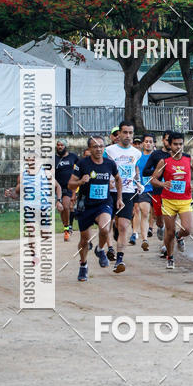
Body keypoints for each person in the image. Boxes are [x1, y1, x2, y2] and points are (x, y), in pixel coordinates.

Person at [68, 137, 122, 281]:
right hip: (85, 205)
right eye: (95, 146)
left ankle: (100, 249)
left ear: (104, 148)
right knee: (84, 239)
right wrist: (80, 181)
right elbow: (70, 184)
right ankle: (83, 264)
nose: (98, 149)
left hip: (104, 203)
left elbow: (118, 179)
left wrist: (119, 198)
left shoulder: (110, 164)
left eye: (101, 146)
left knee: (104, 229)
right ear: (90, 149)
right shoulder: (82, 164)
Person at [150, 132, 193, 270]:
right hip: (169, 201)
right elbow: (153, 179)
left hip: (185, 200)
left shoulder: (189, 159)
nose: (178, 147)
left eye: (181, 144)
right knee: (169, 231)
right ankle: (170, 257)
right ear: (170, 145)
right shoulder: (164, 162)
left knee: (187, 229)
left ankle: (179, 236)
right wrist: (162, 184)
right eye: (175, 144)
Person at [4, 157, 64, 264]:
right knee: (31, 231)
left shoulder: (45, 173)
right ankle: (35, 255)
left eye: (34, 159)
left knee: (45, 234)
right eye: (29, 160)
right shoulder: (22, 176)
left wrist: (58, 200)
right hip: (29, 207)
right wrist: (10, 194)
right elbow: (16, 194)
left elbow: (58, 187)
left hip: (44, 208)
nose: (32, 162)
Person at [105, 120, 142, 273]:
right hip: (111, 192)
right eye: (125, 132)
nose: (127, 136)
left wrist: (138, 183)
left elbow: (135, 171)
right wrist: (108, 181)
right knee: (106, 224)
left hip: (128, 192)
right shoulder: (109, 150)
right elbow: (103, 167)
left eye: (130, 133)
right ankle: (109, 248)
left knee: (123, 226)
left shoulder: (136, 153)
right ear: (118, 134)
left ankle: (119, 259)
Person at [142, 131, 171, 253]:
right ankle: (160, 226)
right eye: (167, 140)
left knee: (170, 218)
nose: (169, 142)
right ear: (162, 141)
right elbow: (145, 171)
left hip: (171, 192)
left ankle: (166, 246)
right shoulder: (156, 155)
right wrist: (158, 171)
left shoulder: (178, 156)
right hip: (158, 190)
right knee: (159, 219)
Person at [134, 133, 156, 250]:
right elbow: (135, 173)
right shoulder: (138, 157)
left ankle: (157, 228)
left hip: (157, 189)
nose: (148, 143)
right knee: (145, 212)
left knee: (157, 215)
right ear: (143, 144)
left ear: (154, 144)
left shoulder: (157, 157)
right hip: (144, 189)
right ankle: (144, 239)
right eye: (146, 141)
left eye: (150, 142)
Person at [54, 140, 79, 241]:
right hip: (57, 187)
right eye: (58, 145)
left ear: (66, 146)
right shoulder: (53, 158)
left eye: (62, 145)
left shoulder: (73, 157)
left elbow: (79, 169)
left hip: (69, 186)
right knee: (61, 209)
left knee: (66, 206)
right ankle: (66, 226)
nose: (60, 147)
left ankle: (67, 228)